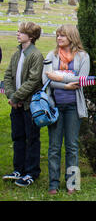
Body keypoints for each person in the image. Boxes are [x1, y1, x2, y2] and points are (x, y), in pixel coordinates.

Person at [42, 24, 90, 194]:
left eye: (62, 36)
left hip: (73, 107)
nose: (59, 39)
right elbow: (46, 80)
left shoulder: (83, 56)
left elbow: (82, 80)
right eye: (58, 36)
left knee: (72, 146)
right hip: (54, 107)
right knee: (54, 147)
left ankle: (72, 183)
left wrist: (59, 76)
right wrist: (66, 84)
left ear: (72, 37)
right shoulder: (51, 55)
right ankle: (53, 184)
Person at [2, 22, 44, 187]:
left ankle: (32, 172)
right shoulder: (16, 54)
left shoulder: (35, 55)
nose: (18, 34)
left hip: (29, 105)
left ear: (31, 37)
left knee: (32, 138)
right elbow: (7, 76)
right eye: (18, 31)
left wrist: (17, 98)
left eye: (22, 32)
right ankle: (18, 169)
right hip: (17, 104)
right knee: (17, 137)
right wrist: (11, 96)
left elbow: (33, 81)